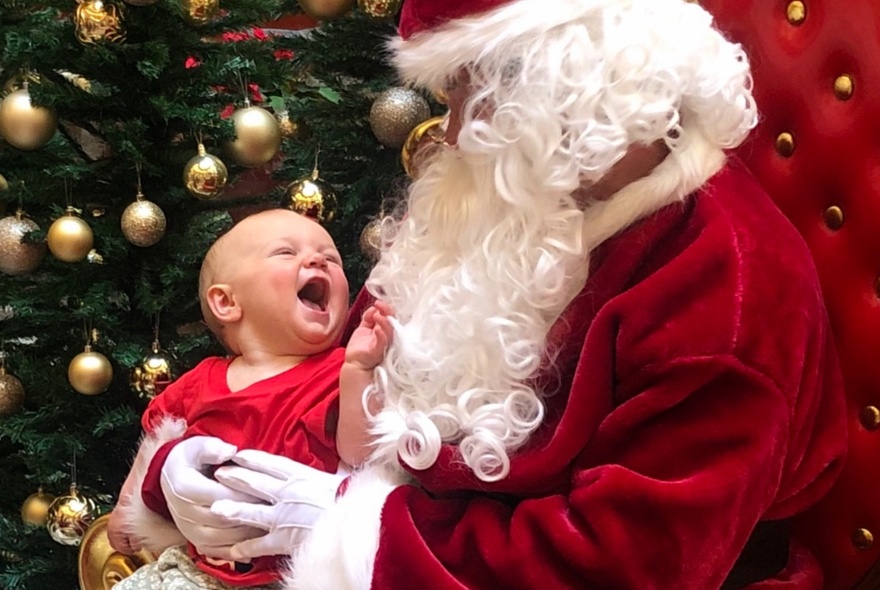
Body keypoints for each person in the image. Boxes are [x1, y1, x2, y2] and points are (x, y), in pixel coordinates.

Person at [125, 0, 849, 588]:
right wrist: (187, 468)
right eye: (453, 91)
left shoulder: (725, 290)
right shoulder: (521, 199)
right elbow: (343, 391)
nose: (459, 130)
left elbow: (628, 565)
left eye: (481, 84)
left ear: (590, 77)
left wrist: (355, 530)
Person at [106, 208, 392, 589]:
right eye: (286, 253)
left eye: (332, 258)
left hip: (296, 573)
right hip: (201, 570)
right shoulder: (201, 380)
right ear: (226, 302)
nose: (318, 258)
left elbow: (358, 454)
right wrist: (126, 509)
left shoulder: (339, 370)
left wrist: (359, 372)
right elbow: (157, 439)